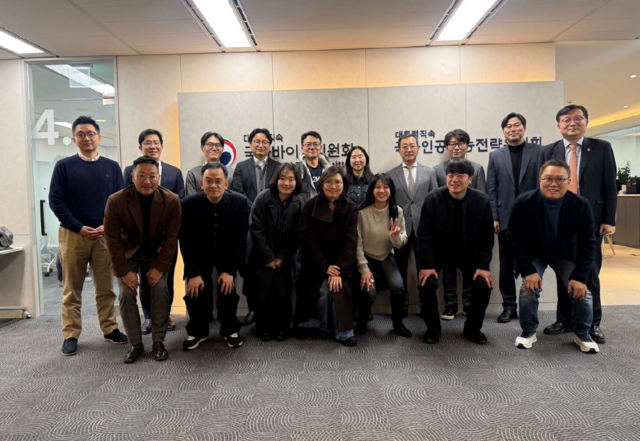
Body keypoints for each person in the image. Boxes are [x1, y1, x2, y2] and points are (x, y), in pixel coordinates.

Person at [49, 115, 127, 356]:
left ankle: (110, 328)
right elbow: (56, 201)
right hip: (73, 235)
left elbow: (121, 201)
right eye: (81, 134)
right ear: (74, 139)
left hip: (104, 235)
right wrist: (78, 226)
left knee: (106, 287)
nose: (87, 138)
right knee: (72, 289)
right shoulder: (64, 166)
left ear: (99, 137)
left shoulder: (112, 167)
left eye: (91, 133)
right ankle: (71, 334)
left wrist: (106, 225)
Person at [542, 105, 617, 344]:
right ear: (559, 125)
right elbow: (543, 186)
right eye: (566, 120)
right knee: (563, 271)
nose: (572, 123)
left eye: (578, 118)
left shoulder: (602, 148)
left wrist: (609, 219)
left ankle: (593, 323)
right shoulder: (548, 150)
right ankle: (565, 319)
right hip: (559, 221)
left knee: (590, 272)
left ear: (586, 122)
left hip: (592, 220)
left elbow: (610, 185)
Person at [507, 160, 599, 353]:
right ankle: (528, 331)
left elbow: (588, 242)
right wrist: (529, 270)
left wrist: (580, 276)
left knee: (582, 291)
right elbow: (513, 238)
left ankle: (582, 333)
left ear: (569, 181)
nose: (553, 184)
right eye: (548, 179)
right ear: (540, 180)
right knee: (528, 290)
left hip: (564, 254)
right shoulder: (523, 202)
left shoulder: (580, 204)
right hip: (535, 253)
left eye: (560, 179)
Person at [104, 156, 181, 363]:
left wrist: (160, 268)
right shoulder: (116, 201)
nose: (147, 181)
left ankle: (158, 342)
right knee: (126, 293)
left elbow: (171, 239)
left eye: (152, 176)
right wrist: (124, 272)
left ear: (159, 177)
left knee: (160, 289)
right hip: (127, 252)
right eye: (142, 176)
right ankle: (135, 344)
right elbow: (112, 242)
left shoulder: (171, 200)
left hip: (156, 252)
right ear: (133, 177)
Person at [417, 160, 494, 345]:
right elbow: (424, 235)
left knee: (483, 285)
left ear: (470, 179)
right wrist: (427, 265)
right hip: (439, 252)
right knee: (426, 283)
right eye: (451, 176)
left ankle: (473, 328)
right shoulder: (433, 198)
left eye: (460, 176)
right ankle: (433, 329)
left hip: (469, 253)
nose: (454, 180)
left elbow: (487, 237)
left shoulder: (482, 200)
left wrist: (483, 266)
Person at [180, 162, 249, 350]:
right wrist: (193, 273)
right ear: (201, 183)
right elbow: (185, 240)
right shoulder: (187, 204)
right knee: (196, 289)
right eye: (208, 181)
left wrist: (229, 271)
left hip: (228, 253)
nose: (213, 185)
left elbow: (240, 240)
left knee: (227, 287)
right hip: (199, 253)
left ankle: (230, 329)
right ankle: (197, 331)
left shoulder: (239, 202)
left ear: (226, 184)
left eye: (218, 181)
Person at [123, 129, 184, 335]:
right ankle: (149, 317)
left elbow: (180, 201)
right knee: (145, 280)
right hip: (140, 238)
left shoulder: (174, 172)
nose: (153, 146)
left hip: (166, 237)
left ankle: (165, 316)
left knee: (166, 278)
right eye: (148, 142)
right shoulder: (129, 171)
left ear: (162, 146)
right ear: (140, 147)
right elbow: (127, 202)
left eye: (156, 142)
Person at [294, 166, 359, 346]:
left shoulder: (351, 208)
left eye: (338, 182)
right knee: (323, 291)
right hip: (316, 264)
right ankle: (326, 326)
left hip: (341, 264)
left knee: (337, 288)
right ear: (321, 184)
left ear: (344, 185)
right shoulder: (310, 206)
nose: (333, 186)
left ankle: (343, 332)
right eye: (329, 182)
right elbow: (308, 240)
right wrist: (325, 266)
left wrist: (337, 270)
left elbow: (350, 242)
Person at [487, 113, 542, 323]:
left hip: (533, 217)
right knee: (506, 265)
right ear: (503, 131)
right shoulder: (495, 156)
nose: (513, 129)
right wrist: (494, 216)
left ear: (524, 128)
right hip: (506, 218)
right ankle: (509, 307)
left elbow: (544, 185)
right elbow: (492, 189)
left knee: (532, 263)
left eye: (517, 125)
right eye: (508, 126)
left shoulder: (538, 151)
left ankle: (529, 305)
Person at [246, 163, 303, 341]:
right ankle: (263, 328)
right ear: (276, 180)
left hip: (284, 258)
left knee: (282, 293)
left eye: (291, 179)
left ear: (297, 182)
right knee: (264, 292)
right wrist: (269, 257)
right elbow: (256, 229)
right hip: (261, 255)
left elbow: (296, 234)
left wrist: (282, 257)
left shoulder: (298, 202)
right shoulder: (263, 198)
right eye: (282, 178)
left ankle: (281, 328)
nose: (286, 183)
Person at [434, 129, 487, 320]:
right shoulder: (437, 170)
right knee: (448, 271)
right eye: (452, 144)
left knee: (469, 269)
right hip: (447, 229)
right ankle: (449, 306)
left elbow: (483, 198)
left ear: (467, 146)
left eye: (460, 143)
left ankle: (468, 305)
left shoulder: (477, 169)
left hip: (470, 228)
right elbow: (435, 200)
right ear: (446, 147)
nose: (456, 147)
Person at [232, 128, 280, 326]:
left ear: (270, 145)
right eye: (257, 141)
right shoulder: (241, 167)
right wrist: (258, 210)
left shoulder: (278, 167)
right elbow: (238, 193)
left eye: (265, 141)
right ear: (250, 144)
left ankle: (269, 311)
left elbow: (281, 193)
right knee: (250, 270)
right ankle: (253, 309)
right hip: (249, 227)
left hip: (273, 226)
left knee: (271, 271)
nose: (261, 145)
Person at [387, 133, 437, 314]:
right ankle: (401, 307)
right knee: (399, 269)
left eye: (412, 146)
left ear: (418, 149)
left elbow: (435, 200)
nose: (409, 150)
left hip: (424, 229)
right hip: (399, 229)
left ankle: (426, 306)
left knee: (424, 268)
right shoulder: (390, 175)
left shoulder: (429, 172)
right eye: (405, 146)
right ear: (399, 150)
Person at [355, 173, 410, 337]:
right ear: (372, 191)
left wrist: (395, 238)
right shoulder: (362, 213)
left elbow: (402, 241)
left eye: (386, 187)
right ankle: (362, 322)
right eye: (377, 187)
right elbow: (357, 244)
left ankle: (398, 324)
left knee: (398, 287)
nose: (381, 190)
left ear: (391, 191)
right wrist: (364, 269)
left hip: (386, 255)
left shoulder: (397, 211)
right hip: (366, 257)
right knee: (369, 292)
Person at [185, 132, 234, 196]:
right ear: (202, 148)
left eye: (217, 145)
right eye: (210, 145)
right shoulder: (193, 174)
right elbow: (190, 199)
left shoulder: (232, 173)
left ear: (222, 149)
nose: (214, 148)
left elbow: (235, 198)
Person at [296, 131, 331, 203]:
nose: (312, 147)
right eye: (308, 144)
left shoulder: (329, 170)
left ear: (321, 147)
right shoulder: (296, 169)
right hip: (305, 209)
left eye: (316, 144)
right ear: (302, 148)